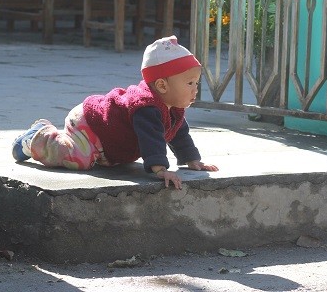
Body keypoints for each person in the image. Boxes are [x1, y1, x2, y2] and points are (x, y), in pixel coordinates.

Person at [12, 36, 219, 189]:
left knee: (115, 162)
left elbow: (178, 133)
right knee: (77, 159)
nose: (196, 89)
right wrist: (160, 169)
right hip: (91, 127)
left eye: (196, 82)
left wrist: (192, 160)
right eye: (190, 83)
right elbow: (152, 138)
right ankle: (37, 138)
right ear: (162, 86)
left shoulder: (173, 108)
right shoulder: (147, 107)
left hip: (109, 146)